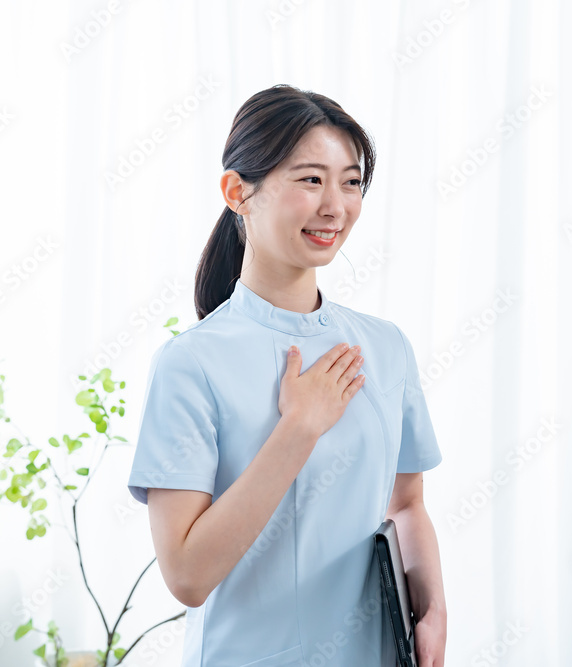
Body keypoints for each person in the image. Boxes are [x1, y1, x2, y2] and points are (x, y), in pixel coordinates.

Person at [126, 84, 447, 667]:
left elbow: (405, 503)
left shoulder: (384, 347)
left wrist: (433, 611)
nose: (335, 206)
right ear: (237, 192)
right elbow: (188, 575)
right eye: (310, 179)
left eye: (350, 182)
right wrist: (299, 427)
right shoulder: (190, 364)